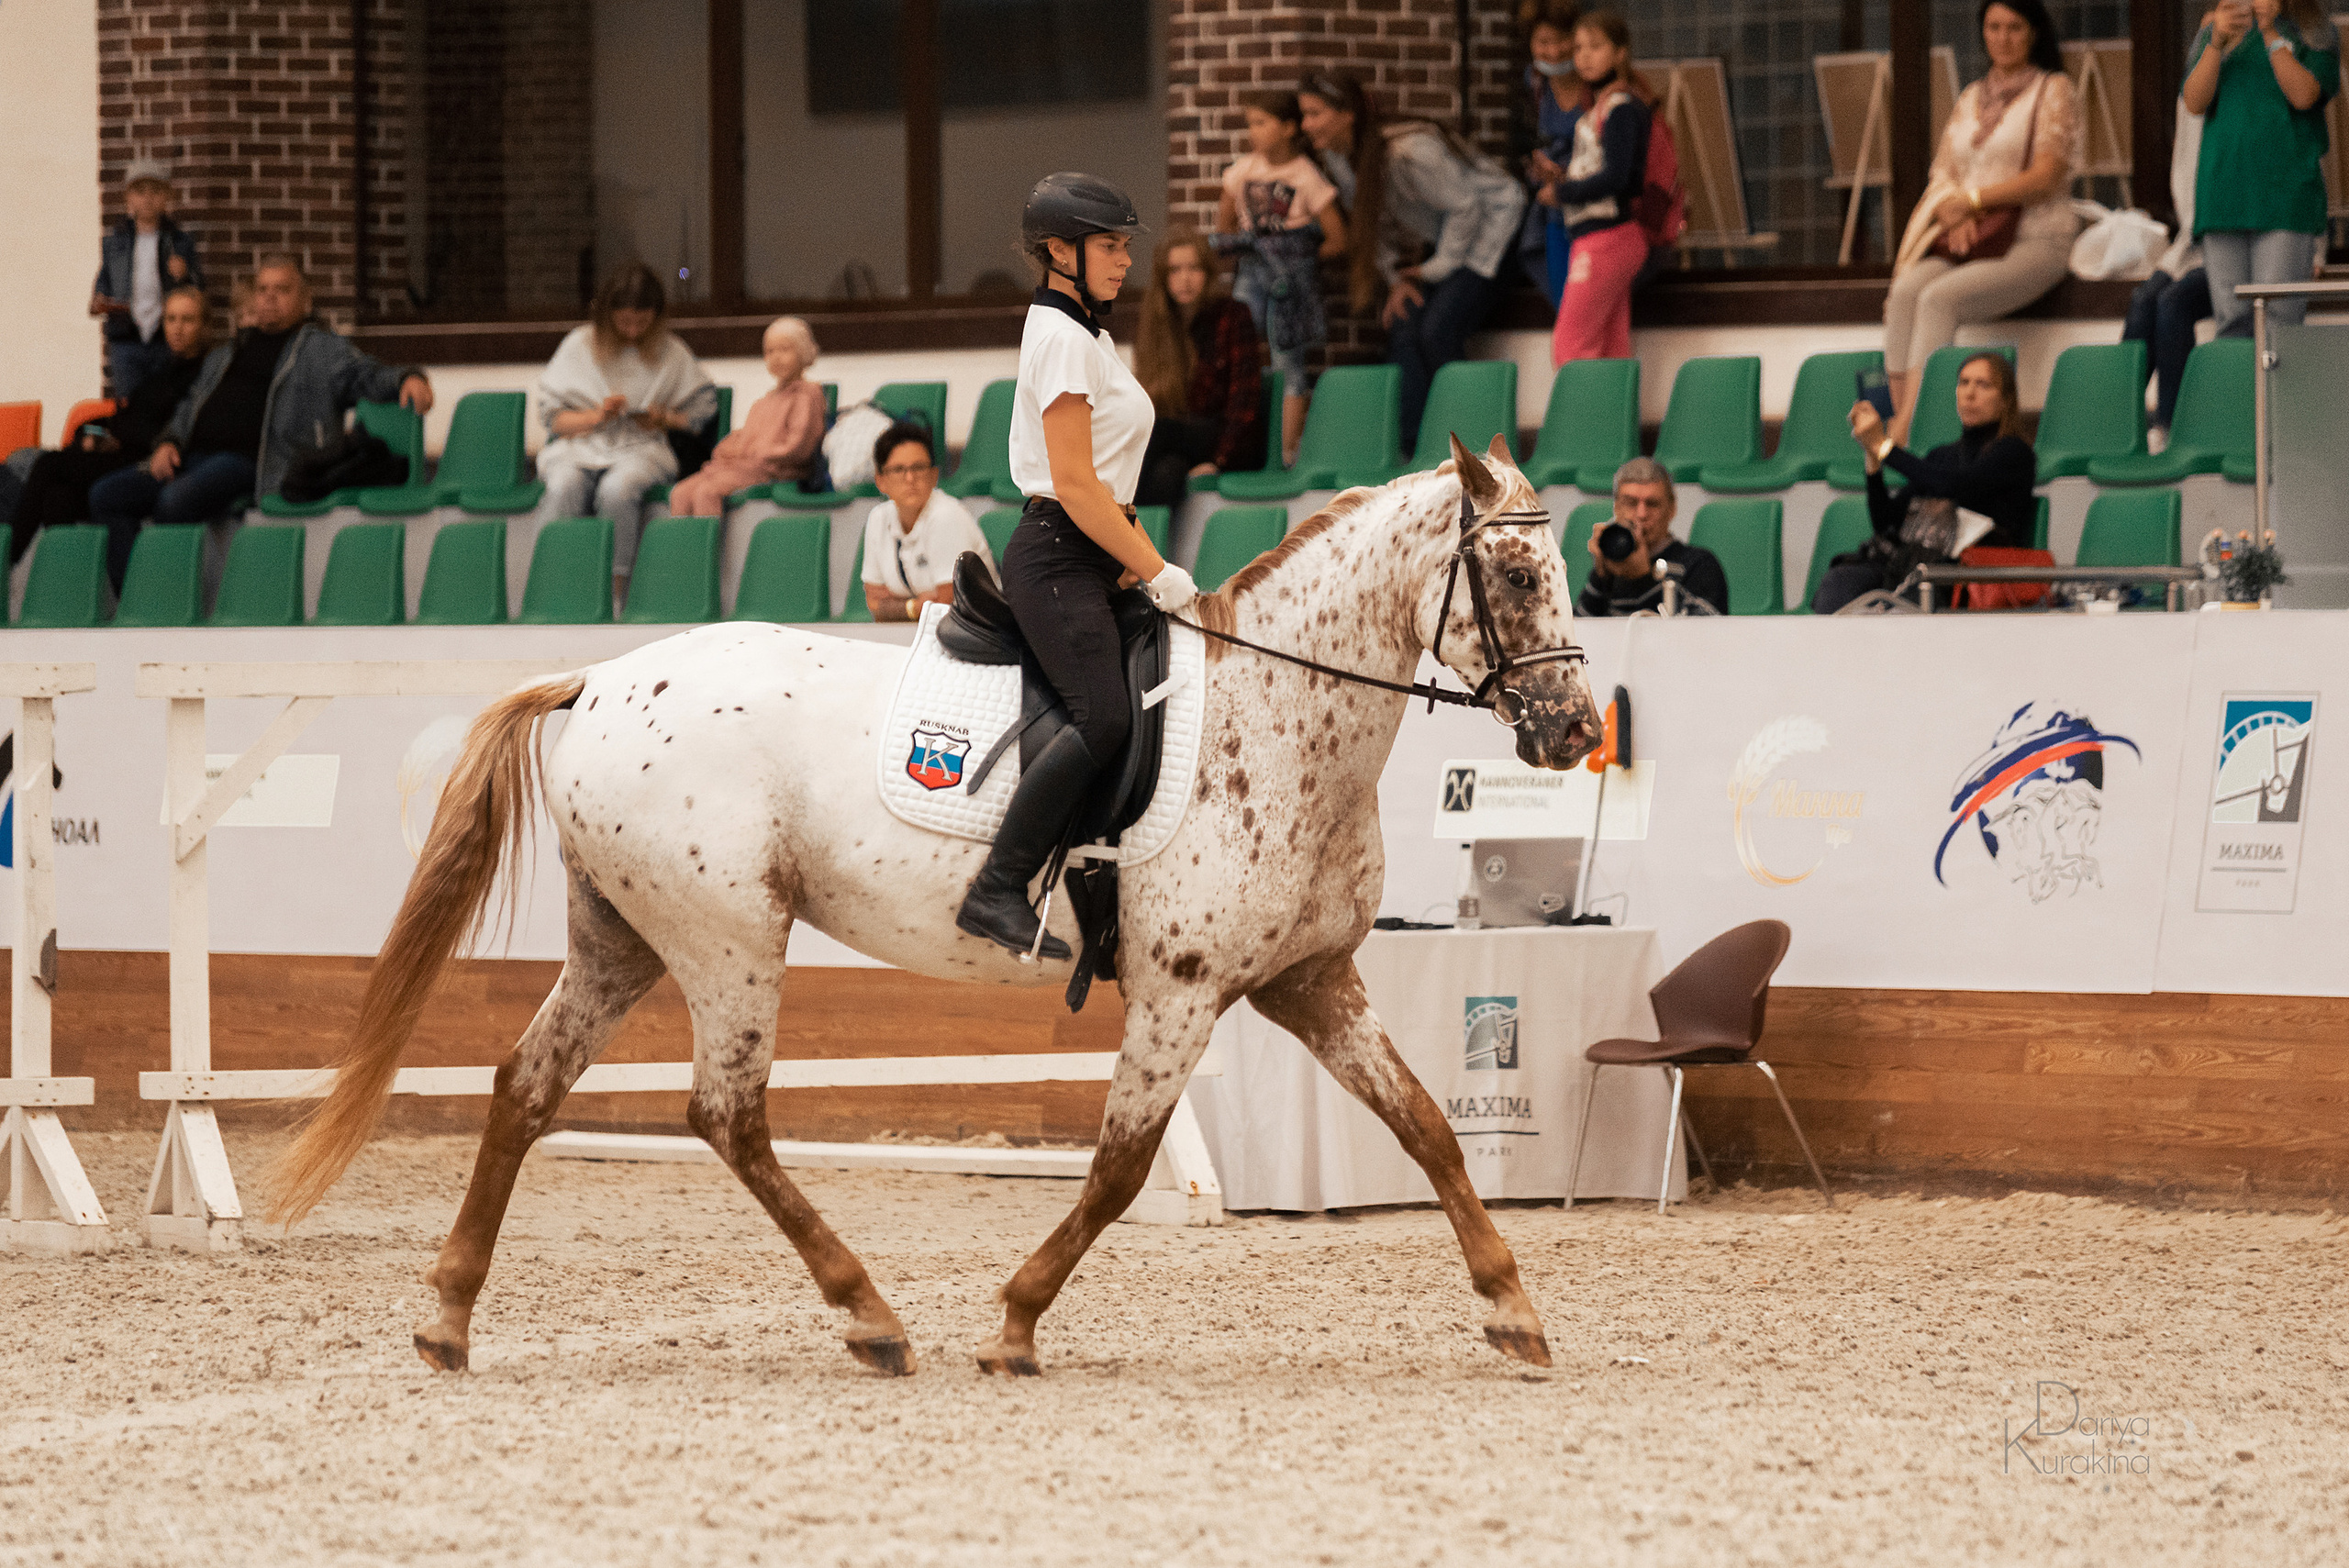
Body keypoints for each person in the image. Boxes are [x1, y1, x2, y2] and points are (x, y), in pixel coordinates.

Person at [955, 173, 1198, 962]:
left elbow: (1104, 477)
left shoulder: (1086, 331)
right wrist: (1158, 567)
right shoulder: (1060, 337)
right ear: (1059, 252)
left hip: (1093, 554)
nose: (1127, 259)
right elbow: (1075, 484)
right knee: (1105, 716)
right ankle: (998, 885)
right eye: (1110, 245)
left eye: (1127, 245)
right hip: (1059, 556)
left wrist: (1128, 553)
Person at [87, 254, 431, 590]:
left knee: (173, 501)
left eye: (281, 289)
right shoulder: (228, 352)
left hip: (253, 463)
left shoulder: (320, 350)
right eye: (263, 288)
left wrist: (408, 378)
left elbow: (366, 374)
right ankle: (134, 594)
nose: (269, 296)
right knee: (106, 495)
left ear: (305, 299)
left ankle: (159, 600)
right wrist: (168, 442)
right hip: (189, 458)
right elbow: (189, 407)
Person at [1883, 0, 2082, 442]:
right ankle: (1899, 418)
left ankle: (1907, 431)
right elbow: (1943, 174)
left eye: (2014, 27)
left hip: (2037, 241)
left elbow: (2047, 176)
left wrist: (1973, 201)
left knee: (1938, 298)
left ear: (2033, 32)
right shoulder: (1971, 96)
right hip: (1971, 241)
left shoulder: (2054, 89)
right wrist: (1953, 214)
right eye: (1993, 27)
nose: (2003, 38)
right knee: (1905, 291)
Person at [1298, 72, 1527, 448]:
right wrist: (1397, 281)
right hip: (1450, 242)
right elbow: (1370, 222)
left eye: (1315, 113)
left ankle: (1471, 444)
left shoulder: (1410, 150)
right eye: (1304, 115)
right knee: (1403, 324)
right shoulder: (1339, 158)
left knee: (1438, 330)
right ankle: (1413, 448)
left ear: (1348, 114)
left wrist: (1436, 268)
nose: (1307, 125)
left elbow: (1466, 207)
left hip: (1497, 227)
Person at [535, 263, 717, 606]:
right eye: (623, 323)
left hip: (641, 447)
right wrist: (596, 416)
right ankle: (557, 584)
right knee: (563, 487)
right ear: (606, 316)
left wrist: (664, 417)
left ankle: (615, 590)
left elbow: (701, 411)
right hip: (580, 443)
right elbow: (552, 419)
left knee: (618, 489)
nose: (633, 332)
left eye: (643, 323)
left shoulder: (671, 351)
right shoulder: (578, 345)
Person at [1812, 350, 2038, 614]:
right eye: (1963, 383)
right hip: (1914, 563)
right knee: (1840, 582)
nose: (1970, 393)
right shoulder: (1942, 456)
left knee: (1914, 595)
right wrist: (1872, 458)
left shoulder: (2014, 453)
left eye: (1983, 384)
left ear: (2005, 400)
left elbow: (1955, 487)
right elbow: (1886, 521)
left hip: (1966, 574)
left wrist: (1884, 446)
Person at [8, 284, 208, 564]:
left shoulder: (202, 375)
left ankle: (7, 561)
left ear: (204, 326)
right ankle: (70, 593)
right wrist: (92, 434)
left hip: (141, 459)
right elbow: (114, 419)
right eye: (171, 319)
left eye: (187, 320)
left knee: (47, 465)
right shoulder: (161, 371)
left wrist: (113, 437)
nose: (177, 328)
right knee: (58, 496)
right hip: (116, 450)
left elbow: (166, 428)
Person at [2184, 0, 2340, 339]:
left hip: (2285, 200)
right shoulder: (2217, 27)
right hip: (2222, 197)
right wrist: (2215, 42)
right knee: (2230, 329)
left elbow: (2303, 95)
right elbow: (2194, 102)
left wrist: (2269, 31)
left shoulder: (2311, 28)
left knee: (2278, 332)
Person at [1215, 93, 1346, 465]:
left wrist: (1300, 257)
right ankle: (1242, 442)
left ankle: (1286, 452)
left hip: (1289, 283)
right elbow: (1224, 224)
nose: (1253, 132)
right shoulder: (1243, 170)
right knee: (1238, 348)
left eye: (1261, 123)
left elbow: (1338, 238)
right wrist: (1240, 245)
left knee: (1287, 359)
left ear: (1288, 128)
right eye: (1250, 124)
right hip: (1251, 272)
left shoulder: (1305, 175)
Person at [1547, 10, 1655, 366]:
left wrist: (1562, 193)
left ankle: (1582, 423)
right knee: (1609, 349)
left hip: (1606, 237)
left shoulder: (1621, 108)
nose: (1584, 56)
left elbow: (1618, 178)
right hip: (1610, 237)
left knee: (1571, 347)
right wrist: (1564, 178)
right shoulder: (1606, 106)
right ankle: (1612, 421)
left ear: (1620, 52)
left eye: (1596, 46)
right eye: (1578, 48)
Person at [1133, 228, 1264, 507]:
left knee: (1155, 431)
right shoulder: (1158, 326)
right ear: (1163, 279)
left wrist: (1218, 461)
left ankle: (1104, 522)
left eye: (1194, 268)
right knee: (1165, 475)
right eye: (1175, 270)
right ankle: (1145, 548)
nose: (1185, 279)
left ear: (1207, 274)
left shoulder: (1233, 315)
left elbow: (1244, 401)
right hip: (1179, 444)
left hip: (1226, 442)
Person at [2123, 71, 2211, 452]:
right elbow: (2185, 183)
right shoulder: (2193, 101)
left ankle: (2170, 423)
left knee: (2172, 302)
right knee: (2143, 300)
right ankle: (2120, 419)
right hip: (2191, 242)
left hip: (2231, 247)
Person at [666, 317, 825, 518]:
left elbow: (800, 445)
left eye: (785, 350)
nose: (776, 357)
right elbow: (747, 437)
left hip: (777, 470)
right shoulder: (763, 402)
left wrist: (757, 453)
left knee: (706, 492)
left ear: (802, 351)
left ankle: (707, 548)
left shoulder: (807, 395)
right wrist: (731, 449)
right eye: (770, 351)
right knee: (680, 493)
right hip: (748, 466)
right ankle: (686, 550)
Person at [90, 157, 205, 403]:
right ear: (128, 199)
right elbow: (104, 282)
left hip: (165, 338)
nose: (148, 199)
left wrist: (185, 274)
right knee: (129, 404)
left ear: (167, 197)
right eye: (140, 192)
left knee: (167, 401)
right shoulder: (115, 242)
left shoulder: (179, 241)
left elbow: (199, 291)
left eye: (155, 192)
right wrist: (99, 300)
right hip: (127, 337)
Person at [859, 418, 995, 621]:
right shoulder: (878, 517)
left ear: (934, 475)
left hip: (976, 627)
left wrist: (898, 607)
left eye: (919, 468)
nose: (910, 479)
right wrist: (915, 607)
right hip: (917, 631)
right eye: (898, 469)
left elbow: (948, 606)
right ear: (880, 481)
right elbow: (874, 603)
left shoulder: (946, 516)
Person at [1576, 457, 1728, 617]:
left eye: (1652, 504)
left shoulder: (1699, 564)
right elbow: (1579, 632)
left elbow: (1699, 632)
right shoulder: (1612, 566)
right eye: (1631, 503)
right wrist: (1601, 578)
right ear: (1616, 508)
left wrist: (1643, 578)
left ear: (1672, 509)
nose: (1641, 514)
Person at [1518, 1, 1585, 308]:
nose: (1555, 52)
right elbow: (1528, 142)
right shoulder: (1535, 83)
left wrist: (1568, 177)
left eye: (1562, 40)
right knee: (1565, 306)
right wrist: (1538, 167)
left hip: (1592, 210)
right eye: (1544, 42)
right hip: (1555, 211)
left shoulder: (1595, 82)